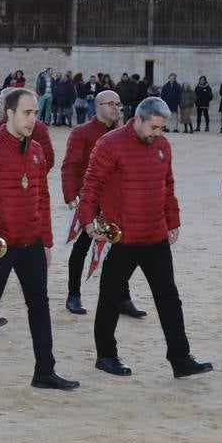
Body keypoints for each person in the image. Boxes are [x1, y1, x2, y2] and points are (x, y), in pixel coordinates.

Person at [77, 97, 213, 379]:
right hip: (123, 238)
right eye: (154, 127)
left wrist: (172, 221)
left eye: (162, 128)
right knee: (111, 298)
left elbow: (168, 185)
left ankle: (180, 358)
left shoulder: (162, 146)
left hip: (155, 236)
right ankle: (106, 355)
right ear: (137, 119)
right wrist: (87, 219)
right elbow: (92, 183)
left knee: (169, 299)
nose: (158, 133)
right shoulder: (110, 144)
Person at [0, 89, 80, 391]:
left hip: (31, 241)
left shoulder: (37, 151)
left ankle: (45, 371)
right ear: (10, 113)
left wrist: (46, 241)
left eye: (35, 113)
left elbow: (42, 198)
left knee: (39, 305)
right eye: (27, 113)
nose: (33, 119)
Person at [61, 90, 142, 318]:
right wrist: (71, 196)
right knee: (82, 249)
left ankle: (122, 298)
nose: (117, 108)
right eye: (111, 104)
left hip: (116, 202)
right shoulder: (82, 133)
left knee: (120, 251)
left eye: (118, 103)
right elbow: (71, 165)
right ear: (98, 106)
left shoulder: (124, 134)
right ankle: (73, 294)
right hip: (91, 201)